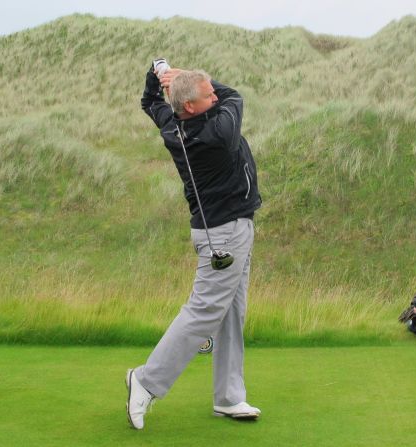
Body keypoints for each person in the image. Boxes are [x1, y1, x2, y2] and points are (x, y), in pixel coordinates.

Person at [125, 61, 263, 430]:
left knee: (231, 313)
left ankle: (229, 397)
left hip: (225, 229)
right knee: (203, 312)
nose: (216, 95)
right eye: (207, 95)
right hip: (225, 234)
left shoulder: (172, 123)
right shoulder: (220, 130)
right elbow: (234, 95)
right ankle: (146, 380)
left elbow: (148, 101)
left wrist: (159, 75)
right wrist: (181, 75)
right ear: (190, 105)